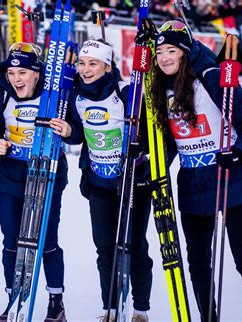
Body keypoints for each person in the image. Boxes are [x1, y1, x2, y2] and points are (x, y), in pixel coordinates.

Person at [150, 20, 242, 321]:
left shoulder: (211, 77)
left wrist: (239, 153)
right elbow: (168, 142)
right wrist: (152, 167)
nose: (164, 57)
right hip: (192, 185)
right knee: (198, 264)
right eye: (159, 51)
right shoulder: (159, 89)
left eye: (171, 51)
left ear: (185, 51)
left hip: (231, 178)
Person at [61, 39, 153, 322]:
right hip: (99, 181)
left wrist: (141, 144)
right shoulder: (76, 95)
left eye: (93, 64)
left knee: (135, 246)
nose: (86, 70)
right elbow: (78, 133)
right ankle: (110, 309)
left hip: (132, 180)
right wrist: (67, 131)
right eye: (82, 63)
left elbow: (151, 134)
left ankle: (141, 310)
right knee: (105, 248)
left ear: (107, 66)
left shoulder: (125, 93)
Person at [0, 42, 68, 322]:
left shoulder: (54, 97)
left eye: (23, 73)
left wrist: (68, 130)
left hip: (47, 175)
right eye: (12, 73)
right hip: (11, 177)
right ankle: (13, 300)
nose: (16, 79)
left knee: (46, 242)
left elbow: (76, 130)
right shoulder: (3, 95)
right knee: (11, 242)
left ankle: (56, 302)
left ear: (37, 74)